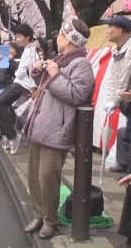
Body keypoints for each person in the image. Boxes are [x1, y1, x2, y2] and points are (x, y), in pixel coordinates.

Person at [22, 17, 94, 240]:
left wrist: (54, 75)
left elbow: (78, 95)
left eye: (61, 34)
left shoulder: (80, 64)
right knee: (33, 174)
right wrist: (38, 71)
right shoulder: (60, 59)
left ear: (70, 40)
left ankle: (50, 221)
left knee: (47, 176)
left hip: (57, 129)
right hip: (42, 124)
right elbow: (43, 86)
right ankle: (38, 214)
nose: (57, 37)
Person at [0, 24, 38, 154]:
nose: (17, 39)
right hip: (19, 83)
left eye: (19, 36)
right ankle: (9, 135)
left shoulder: (30, 50)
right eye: (17, 36)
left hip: (22, 84)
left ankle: (12, 136)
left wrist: (16, 71)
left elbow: (21, 71)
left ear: (27, 37)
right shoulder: (29, 50)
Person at [101, 16, 131, 173]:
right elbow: (113, 78)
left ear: (120, 31)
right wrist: (110, 100)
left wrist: (115, 101)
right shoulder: (116, 50)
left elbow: (124, 78)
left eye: (110, 28)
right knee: (126, 133)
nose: (107, 32)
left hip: (128, 97)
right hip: (127, 102)